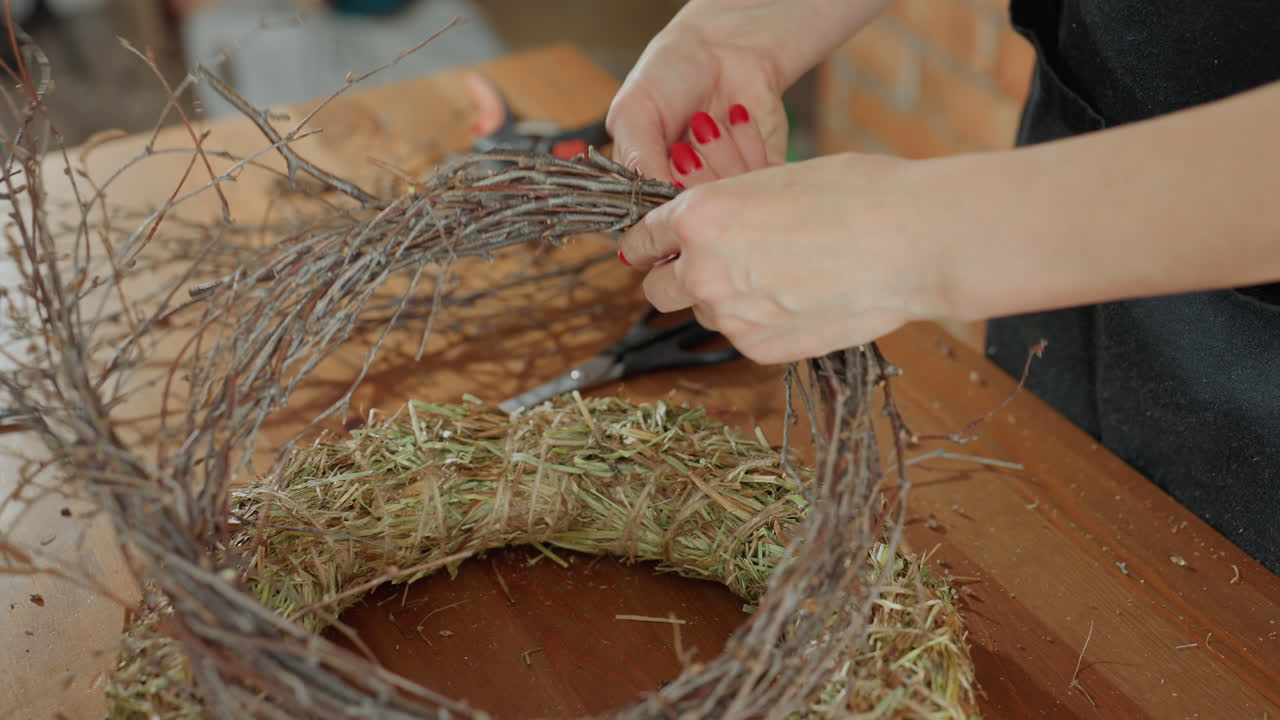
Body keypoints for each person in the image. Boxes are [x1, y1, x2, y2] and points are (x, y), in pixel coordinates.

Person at [607, 0, 1280, 574]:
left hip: (1255, 406)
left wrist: (921, 238)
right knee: (1057, 574)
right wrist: (738, 31)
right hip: (1061, 230)